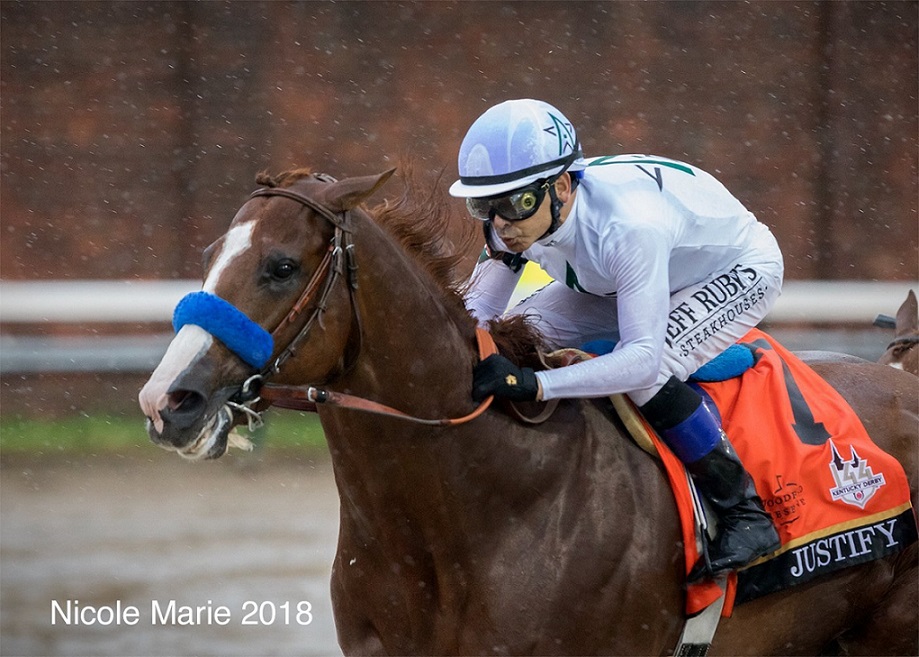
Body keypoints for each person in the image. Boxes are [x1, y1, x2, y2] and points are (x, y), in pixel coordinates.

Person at [449, 98, 783, 580]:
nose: (500, 224)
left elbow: (641, 361)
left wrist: (534, 385)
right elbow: (476, 318)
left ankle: (744, 512)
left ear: (561, 187)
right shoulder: (519, 217)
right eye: (484, 206)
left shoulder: (628, 227)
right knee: (520, 331)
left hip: (735, 266)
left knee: (655, 368)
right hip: (623, 274)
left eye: (516, 204)